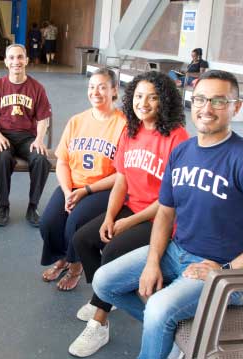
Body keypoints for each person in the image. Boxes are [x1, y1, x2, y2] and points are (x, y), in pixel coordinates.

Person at [92, 70, 243, 358]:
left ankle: (162, 328)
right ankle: (169, 334)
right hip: (177, 252)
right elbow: (165, 213)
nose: (206, 108)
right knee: (103, 282)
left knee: (159, 308)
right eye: (200, 99)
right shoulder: (182, 152)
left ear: (236, 107)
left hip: (223, 270)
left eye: (218, 101)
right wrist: (153, 262)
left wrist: (225, 271)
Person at [68, 71, 189, 357]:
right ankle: (106, 295)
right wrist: (110, 216)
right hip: (132, 206)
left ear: (165, 101)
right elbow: (121, 180)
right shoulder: (131, 130)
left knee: (112, 251)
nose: (143, 103)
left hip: (159, 217)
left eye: (152, 97)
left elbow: (170, 199)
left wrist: (127, 222)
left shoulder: (177, 137)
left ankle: (100, 320)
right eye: (138, 96)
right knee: (83, 239)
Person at [40, 68, 124, 291]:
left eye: (102, 87)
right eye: (92, 87)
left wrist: (86, 190)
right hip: (73, 185)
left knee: (75, 223)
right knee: (48, 222)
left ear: (114, 90)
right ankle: (63, 257)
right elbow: (62, 162)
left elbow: (122, 174)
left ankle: (76, 266)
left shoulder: (123, 125)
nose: (95, 92)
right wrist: (68, 192)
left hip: (103, 188)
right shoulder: (77, 121)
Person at [0, 44, 51, 227]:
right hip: (2, 134)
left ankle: (33, 206)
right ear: (6, 62)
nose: (16, 61)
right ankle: (3, 206)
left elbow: (43, 120)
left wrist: (39, 139)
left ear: (27, 60)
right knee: (2, 157)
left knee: (41, 159)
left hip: (27, 137)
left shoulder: (37, 88)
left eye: (20, 57)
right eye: (12, 58)